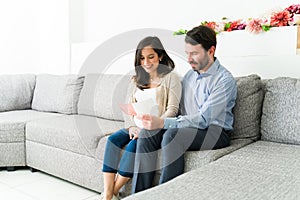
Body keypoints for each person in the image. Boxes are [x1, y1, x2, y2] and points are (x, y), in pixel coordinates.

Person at [131, 25, 237, 193]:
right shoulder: (189, 76)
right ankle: (138, 195)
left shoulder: (224, 81)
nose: (189, 59)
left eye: (194, 53)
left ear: (211, 51)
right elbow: (178, 110)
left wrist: (164, 122)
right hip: (189, 126)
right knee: (147, 133)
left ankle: (164, 195)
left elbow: (203, 120)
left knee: (172, 135)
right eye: (187, 53)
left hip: (215, 132)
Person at [101, 36, 182, 200]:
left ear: (160, 56)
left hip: (154, 128)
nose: (146, 62)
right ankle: (109, 192)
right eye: (142, 58)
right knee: (112, 140)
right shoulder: (136, 79)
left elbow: (172, 110)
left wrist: (151, 126)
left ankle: (110, 195)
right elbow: (128, 108)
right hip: (135, 125)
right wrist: (131, 127)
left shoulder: (171, 78)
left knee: (133, 146)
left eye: (151, 57)